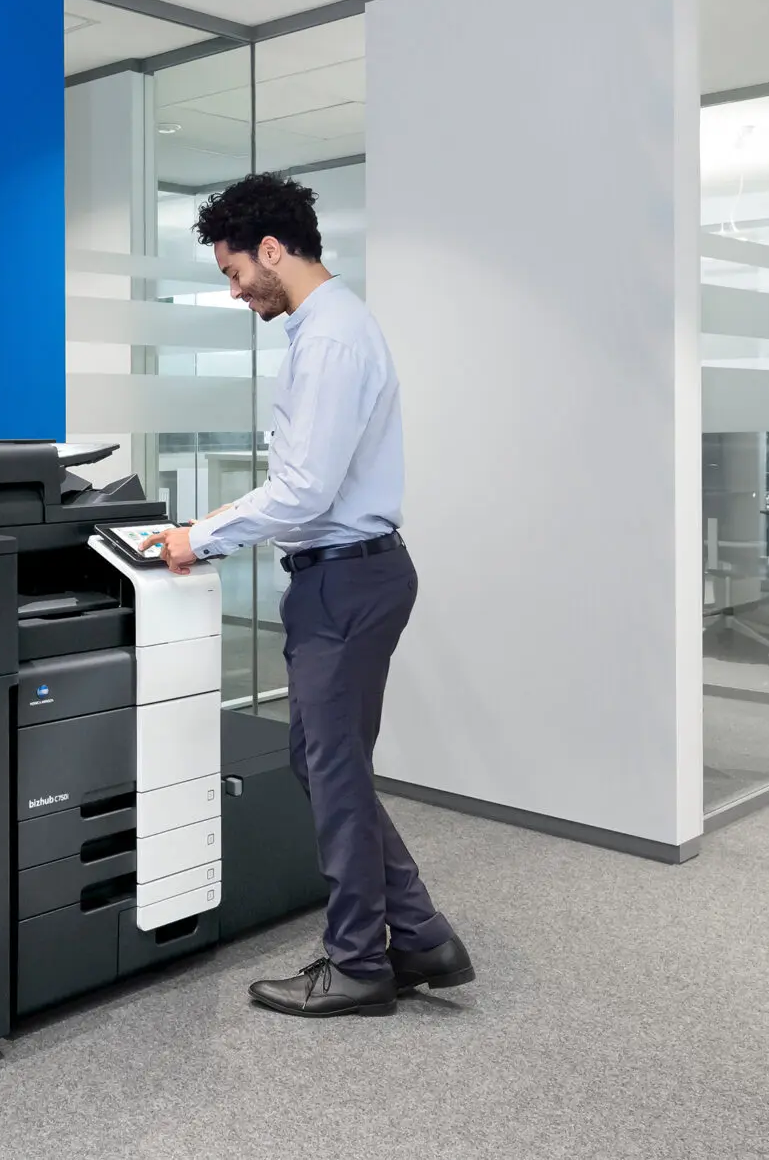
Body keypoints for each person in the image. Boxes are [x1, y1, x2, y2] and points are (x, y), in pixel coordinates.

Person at [137, 173, 474, 1019]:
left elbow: (305, 491)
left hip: (347, 577)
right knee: (327, 764)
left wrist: (199, 537)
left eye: (234, 270)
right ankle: (423, 934)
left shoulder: (329, 339)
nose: (234, 288)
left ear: (273, 250)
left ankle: (360, 961)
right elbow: (300, 483)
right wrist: (205, 523)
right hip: (347, 574)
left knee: (329, 768)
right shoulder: (330, 328)